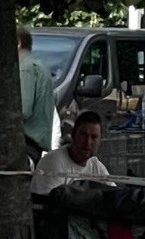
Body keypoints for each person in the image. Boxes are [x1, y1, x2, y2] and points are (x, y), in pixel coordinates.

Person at [31, 111, 110, 196]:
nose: (88, 142)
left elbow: (115, 195)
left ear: (100, 141)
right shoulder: (53, 161)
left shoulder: (95, 165)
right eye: (83, 135)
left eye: (94, 137)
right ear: (73, 135)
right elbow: (51, 205)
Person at [17, 26, 55, 167]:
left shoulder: (25, 67)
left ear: (18, 42)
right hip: (36, 144)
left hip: (25, 143)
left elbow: (23, 110)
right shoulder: (40, 64)